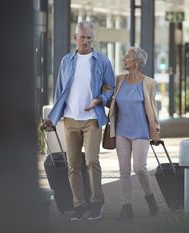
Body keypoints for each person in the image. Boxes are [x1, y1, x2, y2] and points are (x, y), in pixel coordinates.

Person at [42, 21, 115, 221]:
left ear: (93, 38)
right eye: (82, 37)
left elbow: (110, 87)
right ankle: (79, 204)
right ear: (76, 38)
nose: (85, 41)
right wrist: (52, 118)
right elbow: (59, 92)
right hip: (70, 120)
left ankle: (96, 203)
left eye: (89, 37)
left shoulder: (102, 61)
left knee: (92, 161)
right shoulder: (66, 61)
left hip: (92, 119)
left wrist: (100, 99)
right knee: (72, 164)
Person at [108, 46, 160, 221]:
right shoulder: (119, 80)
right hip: (121, 130)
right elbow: (112, 102)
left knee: (139, 168)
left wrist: (156, 131)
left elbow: (152, 109)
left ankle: (149, 197)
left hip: (141, 132)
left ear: (137, 62)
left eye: (128, 57)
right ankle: (126, 206)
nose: (124, 60)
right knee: (123, 170)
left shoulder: (149, 83)